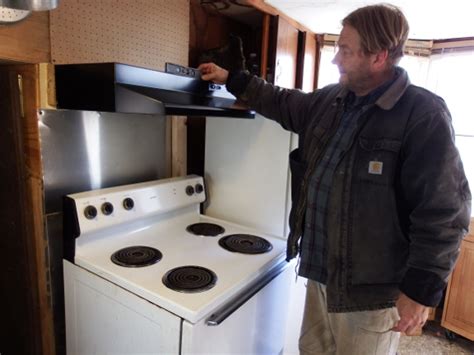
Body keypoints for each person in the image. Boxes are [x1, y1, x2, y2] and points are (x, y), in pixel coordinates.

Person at [199, 3, 471, 355]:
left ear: (378, 56)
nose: (335, 59)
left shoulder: (422, 115)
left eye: (344, 49)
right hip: (319, 274)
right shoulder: (330, 100)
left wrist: (420, 291)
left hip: (370, 294)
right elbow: (281, 101)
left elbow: (444, 211)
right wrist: (231, 78)